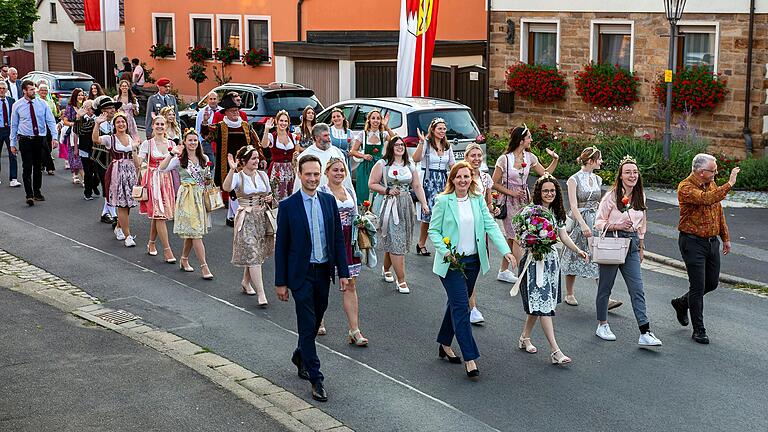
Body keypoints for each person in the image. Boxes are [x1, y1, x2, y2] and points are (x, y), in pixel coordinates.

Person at [428, 161, 515, 378]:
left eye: (467, 177)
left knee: (456, 304)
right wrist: (445, 250)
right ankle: (470, 357)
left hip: (473, 262)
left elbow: (490, 226)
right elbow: (434, 231)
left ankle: (444, 343)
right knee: (461, 308)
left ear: (471, 179)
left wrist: (505, 251)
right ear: (452, 179)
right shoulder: (443, 201)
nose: (463, 180)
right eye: (459, 177)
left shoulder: (477, 200)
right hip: (451, 264)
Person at [274, 154, 349, 403]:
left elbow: (338, 240)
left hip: (323, 271)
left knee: (315, 321)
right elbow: (281, 247)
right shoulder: (288, 206)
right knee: (307, 324)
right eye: (308, 174)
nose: (312, 178)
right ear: (299, 174)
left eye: (316, 174)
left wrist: (344, 273)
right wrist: (280, 282)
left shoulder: (328, 202)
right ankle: (316, 378)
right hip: (300, 275)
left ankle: (299, 354)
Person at [516, 175, 588, 365]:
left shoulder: (557, 213)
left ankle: (525, 337)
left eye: (552, 191)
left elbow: (563, 236)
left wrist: (578, 250)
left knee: (540, 303)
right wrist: (532, 242)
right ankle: (555, 351)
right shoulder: (529, 212)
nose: (549, 194)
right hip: (534, 263)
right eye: (546, 190)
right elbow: (520, 236)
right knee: (543, 306)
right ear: (539, 192)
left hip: (550, 262)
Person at [594, 156, 662, 347]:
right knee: (605, 287)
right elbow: (598, 222)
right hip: (613, 242)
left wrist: (641, 246)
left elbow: (643, 222)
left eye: (635, 172)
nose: (632, 175)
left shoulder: (641, 195)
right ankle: (602, 324)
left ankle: (645, 331)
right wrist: (616, 224)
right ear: (621, 176)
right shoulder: (611, 197)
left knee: (637, 289)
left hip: (632, 245)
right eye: (628, 172)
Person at [672, 154, 740, 344]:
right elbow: (707, 199)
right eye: (713, 170)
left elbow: (718, 210)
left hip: (711, 243)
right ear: (701, 172)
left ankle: (681, 303)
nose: (716, 173)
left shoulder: (710, 183)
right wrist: (730, 183)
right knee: (698, 286)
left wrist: (725, 238)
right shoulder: (685, 187)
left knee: (711, 283)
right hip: (692, 243)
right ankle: (699, 330)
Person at [492, 124, 559, 284]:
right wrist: (512, 192)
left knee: (511, 237)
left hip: (524, 201)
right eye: (529, 137)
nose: (531, 140)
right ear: (521, 140)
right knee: (517, 236)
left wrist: (555, 159)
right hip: (509, 201)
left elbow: (545, 174)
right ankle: (523, 273)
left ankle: (504, 270)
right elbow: (494, 183)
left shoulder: (530, 157)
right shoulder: (505, 159)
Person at [561, 147, 623, 310]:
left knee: (599, 256)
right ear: (590, 161)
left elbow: (600, 203)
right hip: (580, 219)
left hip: (595, 220)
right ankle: (569, 293)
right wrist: (582, 224)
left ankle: (605, 297)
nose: (601, 161)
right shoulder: (573, 180)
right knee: (575, 254)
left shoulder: (598, 179)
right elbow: (573, 205)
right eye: (599, 159)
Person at [368, 135, 429, 293]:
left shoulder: (410, 165)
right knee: (396, 240)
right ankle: (401, 280)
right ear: (391, 148)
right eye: (396, 145)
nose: (400, 147)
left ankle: (386, 268)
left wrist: (423, 203)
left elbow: (416, 186)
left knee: (397, 239)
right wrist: (387, 190)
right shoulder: (382, 164)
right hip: (389, 205)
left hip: (405, 205)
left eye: (402, 145)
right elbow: (372, 183)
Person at [319, 158, 368, 346]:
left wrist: (362, 223)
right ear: (327, 172)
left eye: (342, 170)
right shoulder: (322, 192)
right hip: (329, 240)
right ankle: (319, 319)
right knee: (322, 283)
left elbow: (355, 213)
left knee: (350, 285)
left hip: (348, 240)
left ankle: (354, 330)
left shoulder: (348, 191)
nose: (339, 173)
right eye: (335, 170)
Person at [159, 129, 214, 280]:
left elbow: (206, 178)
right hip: (186, 197)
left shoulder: (202, 158)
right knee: (196, 233)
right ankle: (204, 266)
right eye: (189, 140)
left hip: (199, 196)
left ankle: (184, 259)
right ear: (184, 142)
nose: (192, 143)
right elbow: (161, 168)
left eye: (195, 140)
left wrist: (207, 180)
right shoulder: (179, 159)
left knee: (192, 231)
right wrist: (171, 153)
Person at [222, 146, 274, 302]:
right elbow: (226, 187)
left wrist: (268, 198)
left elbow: (269, 193)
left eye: (257, 158)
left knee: (257, 253)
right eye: (253, 158)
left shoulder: (263, 175)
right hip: (246, 218)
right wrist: (232, 170)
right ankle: (261, 293)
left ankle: (246, 282)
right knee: (252, 252)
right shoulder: (238, 177)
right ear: (244, 161)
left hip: (262, 217)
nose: (257, 161)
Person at [201, 92, 261, 226]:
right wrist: (205, 122)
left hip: (244, 164)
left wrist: (260, 157)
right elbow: (207, 136)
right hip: (226, 164)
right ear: (226, 112)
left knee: (241, 189)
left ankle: (231, 216)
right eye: (233, 111)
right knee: (232, 190)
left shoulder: (246, 126)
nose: (236, 113)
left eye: (237, 110)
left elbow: (255, 142)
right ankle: (235, 215)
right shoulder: (220, 126)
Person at [91, 112, 141, 247]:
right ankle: (128, 236)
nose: (121, 124)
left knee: (128, 204)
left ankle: (119, 227)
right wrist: (97, 123)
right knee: (122, 204)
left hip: (130, 172)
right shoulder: (110, 138)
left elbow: (136, 159)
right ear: (114, 125)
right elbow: (95, 139)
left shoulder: (130, 138)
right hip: (117, 173)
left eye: (123, 122)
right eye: (118, 122)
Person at [463, 143, 499, 325]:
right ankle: (471, 307)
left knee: (474, 266)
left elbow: (489, 203)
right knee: (465, 265)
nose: (477, 159)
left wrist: (494, 211)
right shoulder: (462, 176)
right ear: (466, 157)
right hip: (464, 225)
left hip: (480, 227)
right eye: (473, 156)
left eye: (479, 155)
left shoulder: (485, 178)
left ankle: (469, 304)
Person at [9, 80, 58, 206]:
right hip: (25, 139)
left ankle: (37, 191)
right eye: (31, 89)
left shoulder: (42, 104)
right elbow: (14, 125)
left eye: (34, 89)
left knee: (37, 166)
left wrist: (54, 137)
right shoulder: (17, 105)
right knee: (27, 166)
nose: (33, 92)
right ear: (24, 91)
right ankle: (29, 194)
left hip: (39, 138)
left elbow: (51, 121)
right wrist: (12, 143)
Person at [413, 118, 455, 256]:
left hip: (442, 181)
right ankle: (421, 243)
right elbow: (416, 158)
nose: (443, 131)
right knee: (429, 213)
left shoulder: (447, 146)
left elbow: (452, 165)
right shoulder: (426, 143)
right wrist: (421, 142)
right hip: (429, 181)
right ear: (433, 129)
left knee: (442, 214)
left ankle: (442, 244)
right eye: (440, 129)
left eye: (444, 129)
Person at [139, 115, 177, 263]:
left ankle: (152, 243)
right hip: (152, 179)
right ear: (153, 126)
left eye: (162, 124)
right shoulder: (147, 144)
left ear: (166, 126)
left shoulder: (172, 143)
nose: (160, 126)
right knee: (160, 215)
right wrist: (134, 151)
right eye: (157, 124)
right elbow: (139, 163)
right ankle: (167, 250)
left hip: (166, 180)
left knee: (159, 214)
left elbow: (176, 163)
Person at [293, 123, 352, 193]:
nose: (329, 138)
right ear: (317, 138)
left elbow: (346, 177)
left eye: (329, 135)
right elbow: (299, 182)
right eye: (325, 136)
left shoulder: (337, 152)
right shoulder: (306, 156)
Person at [349, 110, 392, 204]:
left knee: (377, 193)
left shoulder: (383, 134)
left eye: (378, 118)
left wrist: (387, 127)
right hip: (365, 167)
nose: (375, 121)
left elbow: (395, 141)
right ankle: (364, 215)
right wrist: (363, 155)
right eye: (373, 118)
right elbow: (352, 151)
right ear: (369, 120)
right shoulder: (363, 134)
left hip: (378, 167)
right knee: (364, 193)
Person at [92, 95, 121, 225]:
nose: (112, 110)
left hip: (115, 158)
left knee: (113, 185)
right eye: (109, 108)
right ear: (102, 110)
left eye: (113, 108)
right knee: (108, 185)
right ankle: (114, 215)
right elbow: (92, 138)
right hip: (101, 158)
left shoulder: (117, 122)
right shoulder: (95, 122)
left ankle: (105, 212)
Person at [260, 110, 297, 201]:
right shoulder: (272, 136)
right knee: (277, 196)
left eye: (285, 121)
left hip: (290, 170)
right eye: (281, 120)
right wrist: (266, 129)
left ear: (288, 123)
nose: (283, 123)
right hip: (277, 170)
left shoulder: (293, 136)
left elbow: (297, 152)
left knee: (291, 195)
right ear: (276, 121)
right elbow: (264, 145)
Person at [74, 100, 99, 199]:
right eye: (88, 108)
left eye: (92, 107)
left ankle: (94, 185)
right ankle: (87, 193)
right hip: (84, 148)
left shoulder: (98, 118)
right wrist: (78, 118)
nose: (91, 110)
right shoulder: (80, 118)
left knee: (97, 173)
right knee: (88, 173)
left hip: (96, 149)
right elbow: (76, 132)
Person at [61, 88, 85, 184]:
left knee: (82, 154)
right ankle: (77, 175)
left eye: (82, 95)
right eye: (79, 95)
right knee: (74, 154)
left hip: (84, 132)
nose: (80, 97)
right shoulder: (70, 107)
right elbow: (65, 121)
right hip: (73, 133)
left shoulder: (85, 106)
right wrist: (73, 124)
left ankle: (80, 174)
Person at [36, 82, 59, 175]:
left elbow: (55, 114)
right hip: (39, 126)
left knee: (48, 147)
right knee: (43, 146)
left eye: (45, 90)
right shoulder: (36, 101)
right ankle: (48, 166)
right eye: (42, 90)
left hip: (49, 125)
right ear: (38, 91)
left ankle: (44, 163)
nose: (44, 92)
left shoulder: (50, 101)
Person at [0, 81, 20, 187]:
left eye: (4, 88)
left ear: (7, 90)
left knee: (13, 154)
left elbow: (17, 116)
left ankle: (13, 178)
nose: (2, 90)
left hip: (9, 130)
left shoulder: (11, 101)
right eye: (0, 88)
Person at [194, 91, 219, 164]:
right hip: (207, 142)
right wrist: (200, 143)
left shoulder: (221, 111)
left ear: (218, 100)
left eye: (214, 99)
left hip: (218, 142)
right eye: (210, 99)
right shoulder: (202, 112)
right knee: (211, 163)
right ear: (207, 100)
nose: (213, 101)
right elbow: (198, 128)